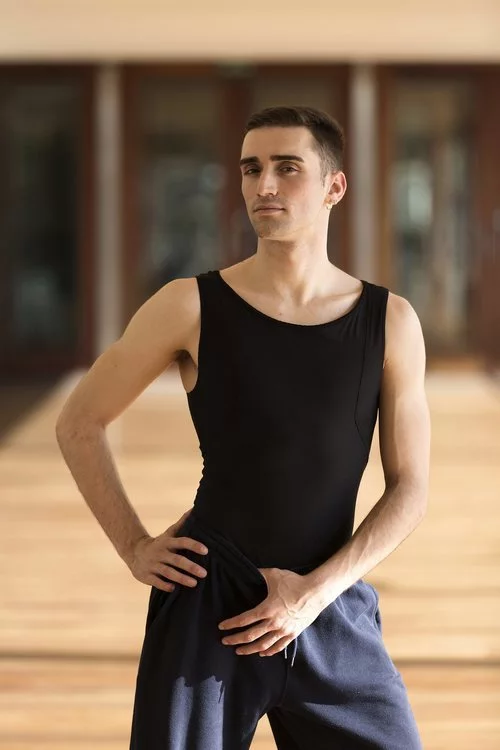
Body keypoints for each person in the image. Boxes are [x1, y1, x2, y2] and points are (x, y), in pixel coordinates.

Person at [56, 105, 430, 749]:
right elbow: (79, 423)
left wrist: (313, 594)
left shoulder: (390, 322)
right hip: (206, 605)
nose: (265, 185)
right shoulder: (189, 305)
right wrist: (134, 545)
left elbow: (411, 488)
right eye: (251, 169)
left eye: (288, 168)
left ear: (334, 186)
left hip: (328, 600)